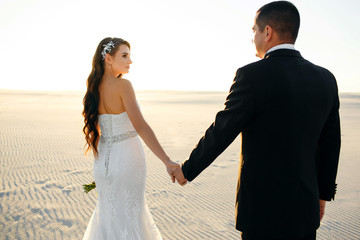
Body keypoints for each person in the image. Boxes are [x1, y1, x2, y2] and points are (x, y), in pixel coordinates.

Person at [172, 1, 341, 239]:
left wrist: (186, 170)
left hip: (262, 212)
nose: (253, 38)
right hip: (305, 209)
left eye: (254, 31)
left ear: (268, 32)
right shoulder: (326, 79)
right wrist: (322, 194)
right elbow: (331, 143)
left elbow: (222, 130)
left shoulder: (251, 76)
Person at [82, 37, 178, 240]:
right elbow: (141, 126)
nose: (130, 61)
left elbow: (100, 131)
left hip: (102, 164)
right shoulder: (123, 85)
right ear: (108, 59)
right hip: (127, 159)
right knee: (131, 215)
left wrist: (106, 169)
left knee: (108, 215)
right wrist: (167, 161)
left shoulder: (93, 88)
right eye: (124, 56)